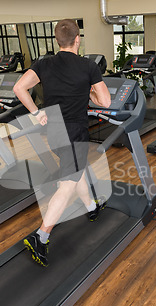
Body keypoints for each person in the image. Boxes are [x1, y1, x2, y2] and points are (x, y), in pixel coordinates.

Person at [13, 19, 111, 267]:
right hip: (75, 130)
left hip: (53, 128)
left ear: (57, 40)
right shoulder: (88, 66)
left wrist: (36, 112)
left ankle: (91, 207)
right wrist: (87, 91)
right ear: (78, 39)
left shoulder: (44, 63)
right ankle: (41, 236)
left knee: (75, 172)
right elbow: (106, 102)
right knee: (67, 184)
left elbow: (19, 88)